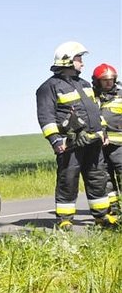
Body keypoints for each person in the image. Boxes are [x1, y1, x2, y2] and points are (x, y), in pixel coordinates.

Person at [36, 42, 115, 229]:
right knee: (68, 180)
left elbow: (95, 111)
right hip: (70, 143)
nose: (82, 63)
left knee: (98, 179)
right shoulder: (49, 87)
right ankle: (65, 220)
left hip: (93, 141)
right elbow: (45, 117)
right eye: (79, 59)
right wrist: (55, 140)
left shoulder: (85, 84)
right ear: (68, 60)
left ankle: (102, 217)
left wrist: (103, 132)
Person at [92, 62, 122, 216]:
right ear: (98, 81)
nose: (109, 82)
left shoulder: (121, 95)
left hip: (119, 146)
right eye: (105, 80)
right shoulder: (91, 97)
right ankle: (114, 209)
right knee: (105, 178)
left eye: (111, 79)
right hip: (99, 145)